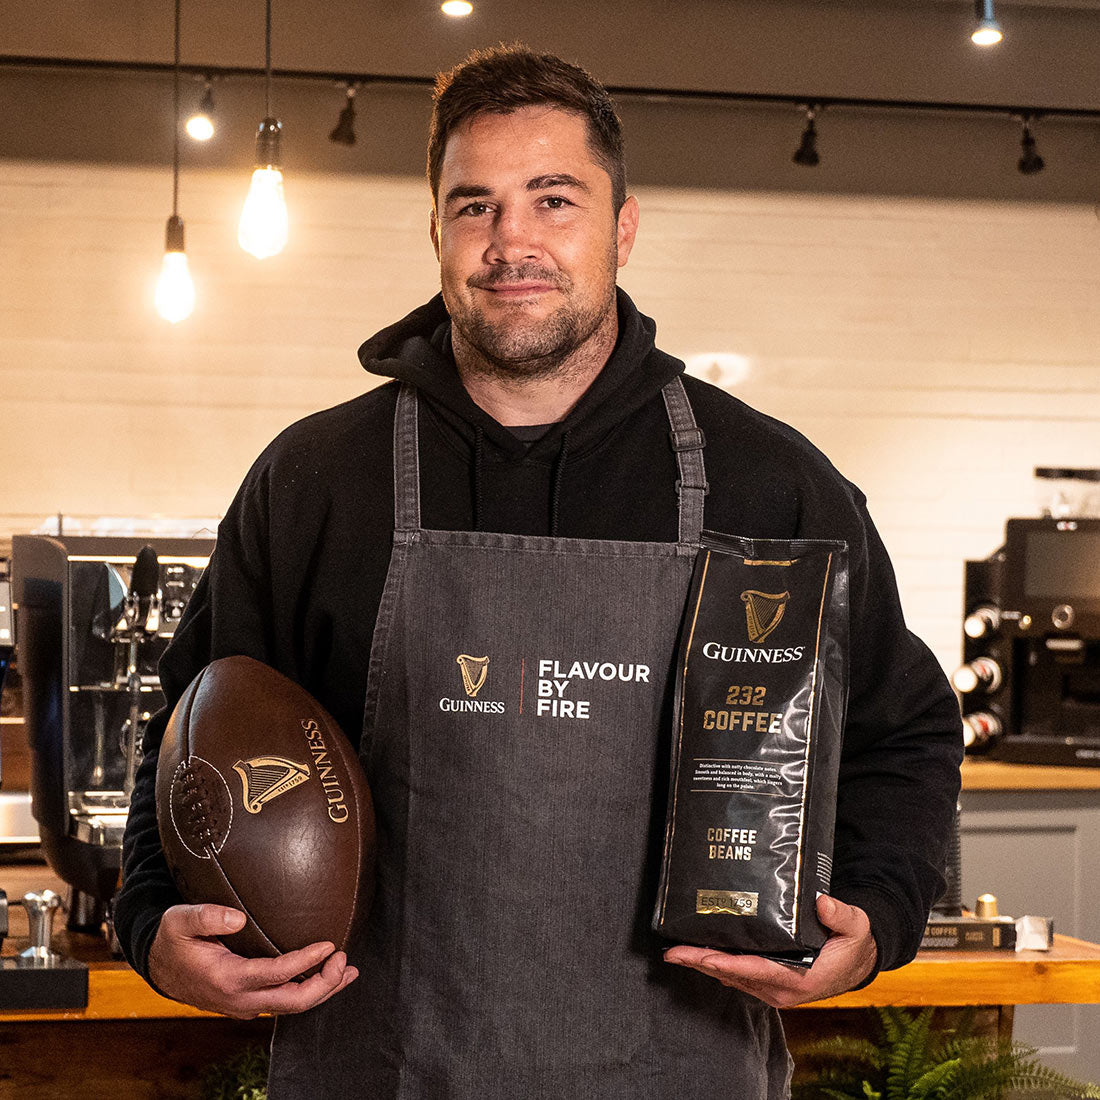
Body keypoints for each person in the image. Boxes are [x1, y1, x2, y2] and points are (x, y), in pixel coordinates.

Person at [118, 44, 963, 1098]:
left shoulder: (769, 483)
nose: (510, 240)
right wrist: (153, 922)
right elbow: (189, 724)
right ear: (435, 230)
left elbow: (906, 727)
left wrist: (878, 912)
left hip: (677, 1069)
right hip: (381, 1069)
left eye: (551, 199)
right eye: (474, 206)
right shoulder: (316, 482)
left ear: (622, 226)